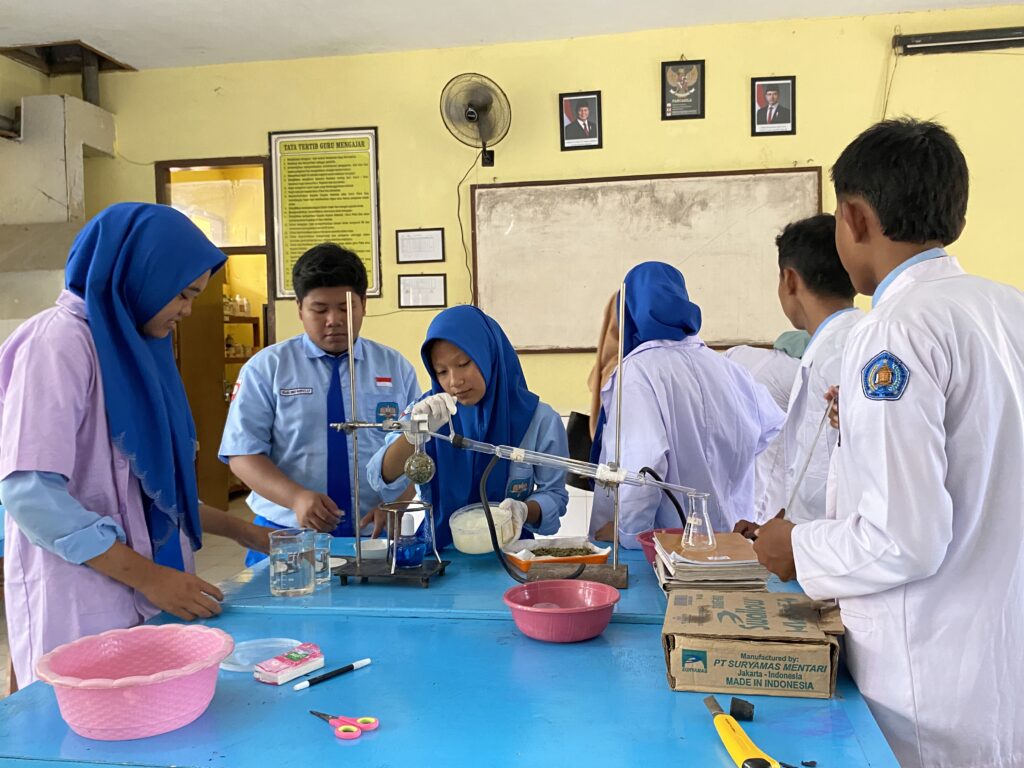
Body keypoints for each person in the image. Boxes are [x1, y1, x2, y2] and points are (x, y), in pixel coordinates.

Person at [753, 118, 1024, 768]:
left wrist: (796, 548)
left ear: (853, 218)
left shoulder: (895, 330)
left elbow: (904, 538)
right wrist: (863, 426)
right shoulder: (1007, 308)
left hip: (928, 683)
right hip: (1000, 661)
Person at [0, 203, 271, 687]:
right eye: (183, 295)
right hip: (84, 594)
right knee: (89, 716)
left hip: (145, 588)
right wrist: (150, 577)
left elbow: (145, 491)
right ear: (140, 275)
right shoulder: (59, 343)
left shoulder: (132, 350)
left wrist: (243, 531)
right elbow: (31, 493)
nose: (187, 311)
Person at [220, 243, 420, 566]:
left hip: (374, 532)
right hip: (286, 532)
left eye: (345, 308)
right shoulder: (267, 369)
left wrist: (400, 502)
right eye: (320, 309)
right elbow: (242, 454)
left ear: (364, 305)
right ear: (299, 309)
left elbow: (419, 448)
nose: (334, 320)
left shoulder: (395, 368)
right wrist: (295, 497)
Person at [589, 262, 784, 545]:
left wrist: (628, 534)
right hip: (730, 538)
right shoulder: (729, 369)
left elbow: (643, 466)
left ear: (628, 311)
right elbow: (771, 429)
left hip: (667, 546)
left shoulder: (638, 372)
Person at [367, 305, 568, 551]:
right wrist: (414, 434)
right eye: (441, 371)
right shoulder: (427, 411)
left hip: (511, 554)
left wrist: (524, 511)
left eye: (463, 363)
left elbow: (555, 496)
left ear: (488, 354)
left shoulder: (538, 419)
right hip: (440, 555)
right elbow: (379, 478)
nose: (454, 381)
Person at [734, 214, 861, 535]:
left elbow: (852, 480)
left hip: (834, 546)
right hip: (815, 539)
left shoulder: (840, 355)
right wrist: (776, 526)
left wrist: (795, 535)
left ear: (789, 280)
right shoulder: (834, 345)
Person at [722, 332, 808, 524]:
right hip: (770, 458)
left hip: (729, 452)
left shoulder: (740, 353)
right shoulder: (797, 372)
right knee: (760, 511)